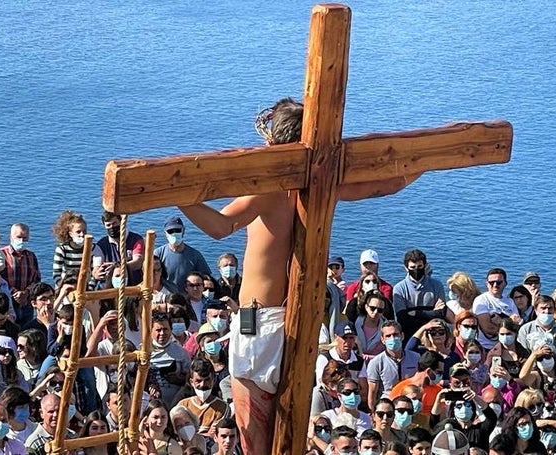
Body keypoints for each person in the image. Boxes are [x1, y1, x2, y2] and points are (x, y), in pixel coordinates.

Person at [177, 97, 419, 455]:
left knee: (253, 428)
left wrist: (181, 197)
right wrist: (428, 159)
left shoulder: (269, 187)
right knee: (285, 422)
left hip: (259, 321)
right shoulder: (322, 184)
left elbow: (221, 226)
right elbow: (388, 184)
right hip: (295, 316)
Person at [392, 249, 447, 337]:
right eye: (412, 267)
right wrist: (431, 313)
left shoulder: (437, 286)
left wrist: (416, 313)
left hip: (433, 335)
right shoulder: (399, 289)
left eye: (420, 266)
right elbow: (403, 319)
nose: (416, 270)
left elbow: (441, 313)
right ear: (406, 268)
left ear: (425, 266)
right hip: (409, 335)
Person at [154, 216, 212, 294]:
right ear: (165, 233)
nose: (174, 233)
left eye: (177, 230)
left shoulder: (195, 255)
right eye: (170, 231)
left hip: (187, 299)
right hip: (165, 297)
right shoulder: (158, 253)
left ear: (183, 231)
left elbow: (206, 277)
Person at [367, 321, 420, 405]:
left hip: (411, 403)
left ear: (402, 336)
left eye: (395, 335)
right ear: (383, 339)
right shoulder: (376, 362)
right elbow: (372, 392)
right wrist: (373, 412)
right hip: (388, 405)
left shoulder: (416, 358)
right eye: (388, 336)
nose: (392, 338)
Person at [0, 223, 41, 324]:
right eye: (19, 237)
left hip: (26, 305)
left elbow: (37, 279)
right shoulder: (1, 254)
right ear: (11, 237)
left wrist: (26, 293)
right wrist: (15, 293)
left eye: (25, 238)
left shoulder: (31, 256)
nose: (21, 241)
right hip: (7, 304)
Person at [176, 359, 231, 434]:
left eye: (207, 380)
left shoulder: (222, 408)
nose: (203, 385)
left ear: (214, 380)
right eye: (198, 381)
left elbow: (215, 436)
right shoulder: (183, 406)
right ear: (191, 382)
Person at [92, 211, 145, 286]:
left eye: (114, 223)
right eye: (108, 225)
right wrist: (97, 274)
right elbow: (96, 267)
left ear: (121, 222)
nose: (112, 227)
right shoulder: (101, 244)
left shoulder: (136, 239)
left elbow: (138, 261)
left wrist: (117, 267)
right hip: (110, 287)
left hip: (133, 285)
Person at [517, 294, 556, 363]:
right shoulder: (525, 329)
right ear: (536, 310)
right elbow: (523, 356)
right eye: (543, 308)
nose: (547, 311)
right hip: (532, 369)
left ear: (554, 310)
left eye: (550, 308)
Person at [471, 268, 518, 351]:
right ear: (487, 284)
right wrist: (508, 323)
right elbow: (488, 329)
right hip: (485, 348)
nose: (495, 285)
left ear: (505, 283)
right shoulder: (481, 300)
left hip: (506, 349)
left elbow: (516, 327)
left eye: (499, 282)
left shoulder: (510, 302)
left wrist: (499, 321)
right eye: (491, 282)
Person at [315, 322, 366, 386]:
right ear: (336, 337)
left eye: (351, 338)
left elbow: (363, 387)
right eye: (344, 338)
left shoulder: (359, 362)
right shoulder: (325, 358)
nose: (348, 342)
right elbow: (321, 385)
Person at [51, 210, 89, 282]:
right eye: (78, 232)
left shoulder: (92, 248)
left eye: (84, 231)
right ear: (71, 234)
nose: (82, 234)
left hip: (86, 286)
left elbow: (94, 271)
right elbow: (56, 273)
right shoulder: (62, 249)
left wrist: (90, 288)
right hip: (67, 284)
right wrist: (62, 287)